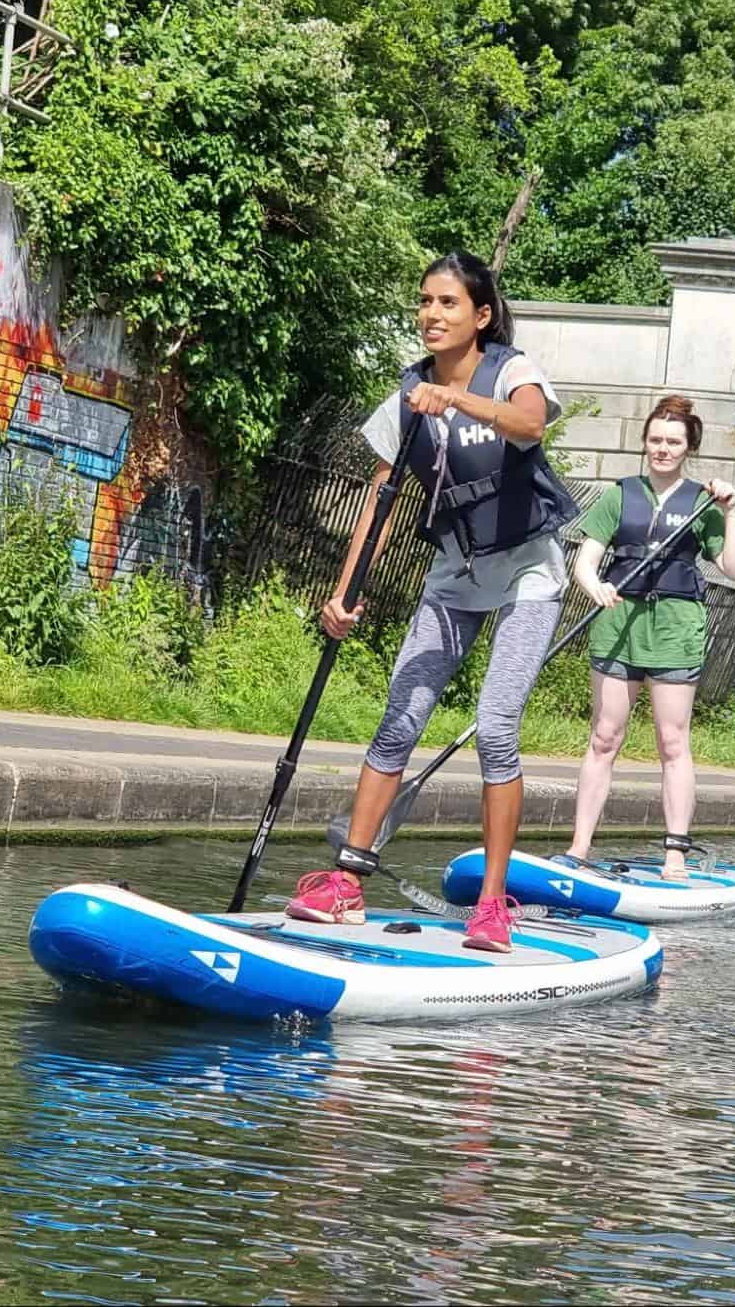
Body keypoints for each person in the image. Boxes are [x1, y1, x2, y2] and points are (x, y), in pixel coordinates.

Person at [288, 251, 579, 952]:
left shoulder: (512, 371)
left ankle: (490, 906)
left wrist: (454, 399)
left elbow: (529, 426)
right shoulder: (405, 397)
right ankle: (347, 882)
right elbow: (380, 504)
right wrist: (344, 591)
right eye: (425, 302)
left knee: (495, 727)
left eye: (447, 304)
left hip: (526, 575)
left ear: (479, 316)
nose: (431, 315)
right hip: (454, 572)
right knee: (399, 719)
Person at [563, 395, 735, 878]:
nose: (662, 449)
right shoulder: (619, 495)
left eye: (673, 442)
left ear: (688, 448)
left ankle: (675, 853)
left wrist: (729, 511)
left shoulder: (701, 503)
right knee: (604, 737)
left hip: (674, 630)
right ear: (645, 443)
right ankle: (579, 848)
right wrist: (594, 586)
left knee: (671, 741)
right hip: (619, 625)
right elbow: (585, 559)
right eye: (655, 440)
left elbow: (734, 567)